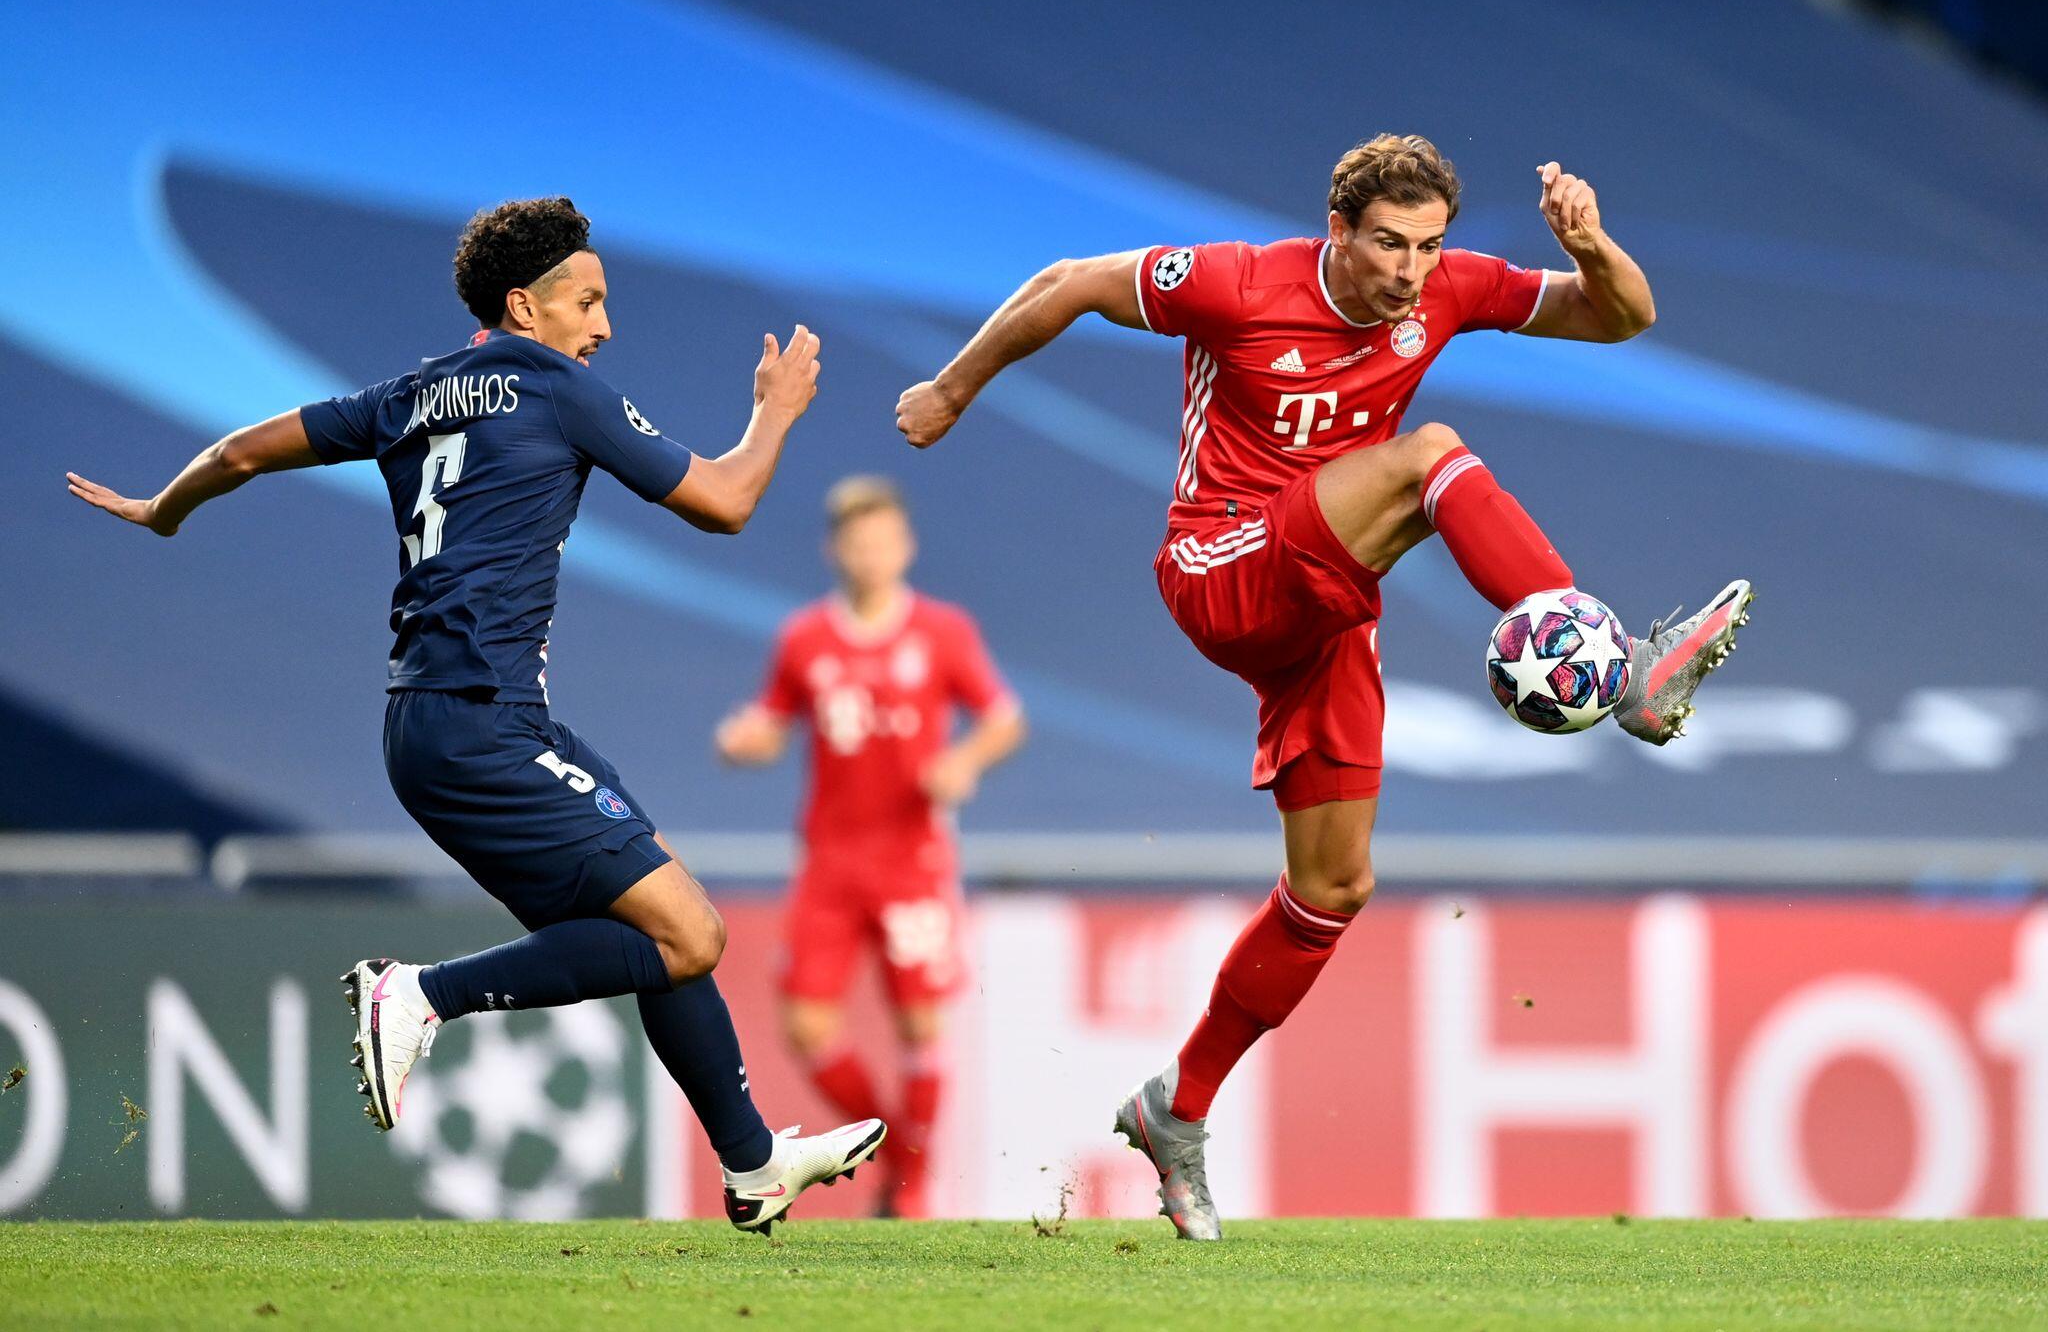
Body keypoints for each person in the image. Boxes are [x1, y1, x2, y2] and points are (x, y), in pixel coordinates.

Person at [894, 136, 1751, 1239]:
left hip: (1328, 602)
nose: (1409, 270)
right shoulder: (1239, 282)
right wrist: (951, 389)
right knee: (1428, 454)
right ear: (1337, 228)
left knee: (1333, 887)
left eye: (1428, 246)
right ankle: (1619, 667)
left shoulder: (1445, 290)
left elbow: (1620, 316)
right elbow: (1070, 283)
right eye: (1388, 243)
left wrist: (1589, 246)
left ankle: (1177, 1108)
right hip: (1222, 564)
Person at [68, 196, 881, 1234]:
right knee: (691, 934)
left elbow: (237, 454)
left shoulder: (406, 396)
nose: (604, 326)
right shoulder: (557, 388)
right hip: (479, 724)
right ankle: (418, 994)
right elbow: (724, 502)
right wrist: (775, 411)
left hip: (444, 723)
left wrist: (163, 510)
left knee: (657, 912)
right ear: (524, 306)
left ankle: (753, 1165)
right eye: (587, 301)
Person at [716, 475, 1026, 1218]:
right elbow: (772, 722)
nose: (871, 556)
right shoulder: (804, 639)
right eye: (858, 543)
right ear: (835, 550)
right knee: (806, 1023)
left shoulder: (942, 631)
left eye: (883, 542)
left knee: (921, 1023)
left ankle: (909, 1190)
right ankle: (893, 1152)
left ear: (906, 547)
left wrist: (963, 762)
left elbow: (1002, 718)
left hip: (914, 860)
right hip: (830, 860)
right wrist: (746, 740)